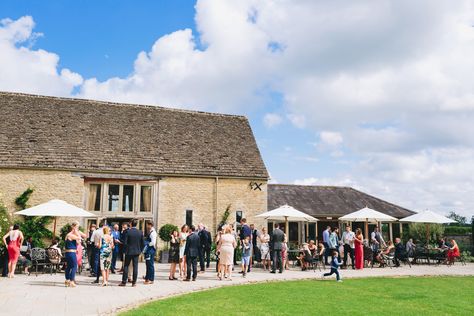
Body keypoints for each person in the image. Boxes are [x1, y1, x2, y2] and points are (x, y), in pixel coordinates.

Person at [119, 219, 144, 287]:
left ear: (131, 224)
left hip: (128, 252)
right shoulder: (140, 232)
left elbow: (125, 242)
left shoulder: (128, 232)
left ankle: (124, 282)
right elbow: (143, 244)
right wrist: (140, 250)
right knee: (135, 267)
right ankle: (134, 282)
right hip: (136, 252)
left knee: (126, 266)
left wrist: (125, 250)